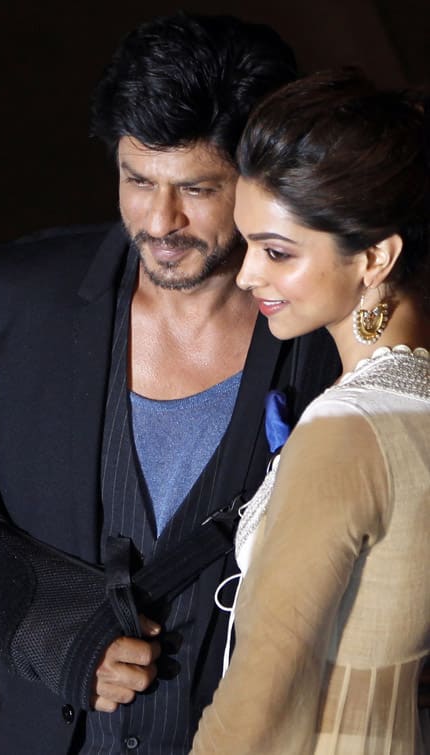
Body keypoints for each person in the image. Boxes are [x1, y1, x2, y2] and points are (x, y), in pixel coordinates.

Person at [0, 13, 340, 755]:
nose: (160, 220)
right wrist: (55, 630)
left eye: (197, 188)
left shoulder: (330, 335)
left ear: (259, 179)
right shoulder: (11, 296)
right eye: (138, 180)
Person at [191, 69, 430, 754]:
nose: (245, 274)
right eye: (248, 244)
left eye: (276, 252)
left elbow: (257, 704)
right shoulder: (414, 404)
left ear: (375, 257)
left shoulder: (348, 432)